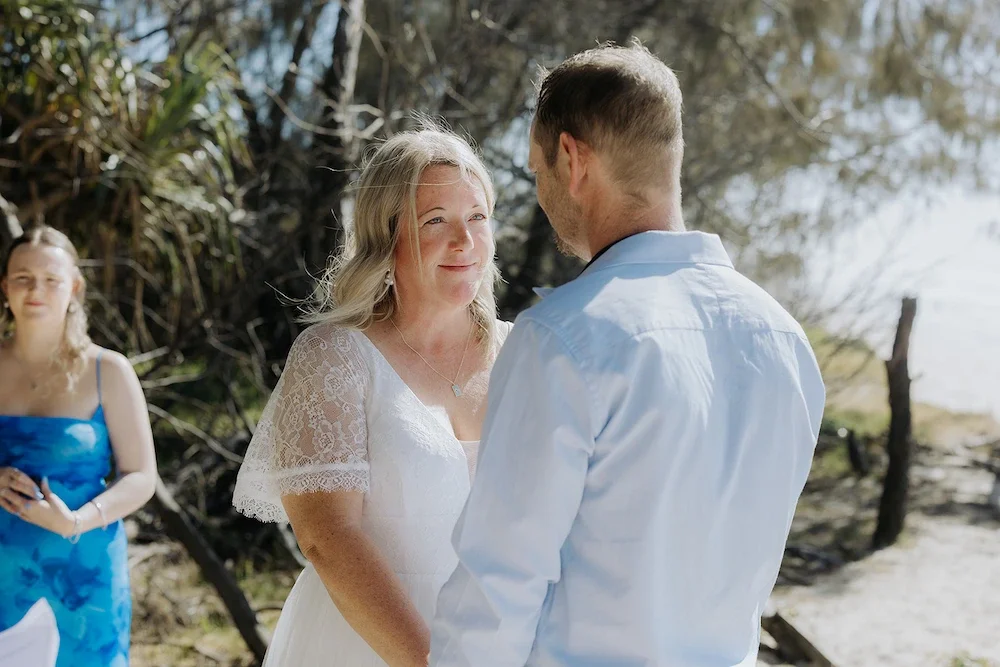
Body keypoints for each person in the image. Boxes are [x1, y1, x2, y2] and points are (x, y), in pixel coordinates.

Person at [429, 42, 826, 667]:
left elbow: (497, 590)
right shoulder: (785, 341)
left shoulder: (563, 336)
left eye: (537, 170)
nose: (541, 192)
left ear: (571, 159)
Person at [232, 125, 514, 666]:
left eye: (478, 217)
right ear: (387, 237)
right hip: (368, 647)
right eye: (436, 220)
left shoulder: (527, 353)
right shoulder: (335, 356)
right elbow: (328, 537)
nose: (465, 241)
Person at [0, 225, 158, 667]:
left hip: (83, 574)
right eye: (23, 278)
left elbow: (141, 476)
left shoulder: (109, 370)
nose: (36, 290)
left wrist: (75, 521)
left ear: (74, 287)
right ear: (5, 287)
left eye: (51, 279)